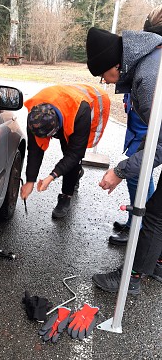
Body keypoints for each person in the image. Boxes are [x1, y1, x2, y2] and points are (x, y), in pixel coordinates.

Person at [86, 25, 162, 294]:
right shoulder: (151, 61)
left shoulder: (149, 76)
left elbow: (160, 144)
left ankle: (132, 277)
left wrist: (120, 171)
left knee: (154, 216)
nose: (105, 82)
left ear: (117, 65)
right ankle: (156, 262)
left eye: (104, 75)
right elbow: (154, 135)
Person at [110, 5, 162, 246]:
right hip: (139, 126)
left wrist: (120, 171)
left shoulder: (152, 71)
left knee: (139, 172)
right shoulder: (148, 59)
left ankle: (141, 227)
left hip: (148, 128)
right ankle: (135, 221)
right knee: (137, 170)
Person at [20, 83, 110, 218]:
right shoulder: (35, 117)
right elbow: (34, 150)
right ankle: (76, 174)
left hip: (85, 108)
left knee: (72, 158)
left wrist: (51, 176)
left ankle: (66, 195)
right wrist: (30, 180)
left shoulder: (80, 112)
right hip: (61, 104)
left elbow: (74, 154)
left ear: (57, 130)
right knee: (52, 153)